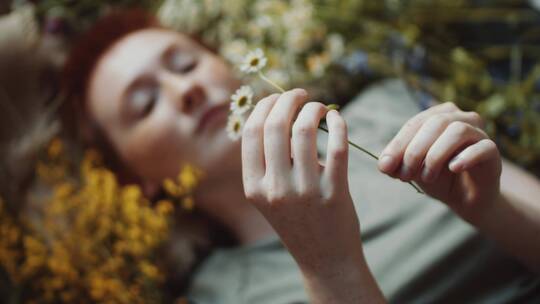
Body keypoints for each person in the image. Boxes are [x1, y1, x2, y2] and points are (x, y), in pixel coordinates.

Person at [62, 9, 540, 304]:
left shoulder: (381, 116)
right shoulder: (221, 293)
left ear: (230, 68)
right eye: (144, 104)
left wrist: (492, 209)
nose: (185, 89)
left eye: (185, 63)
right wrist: (329, 269)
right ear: (138, 183)